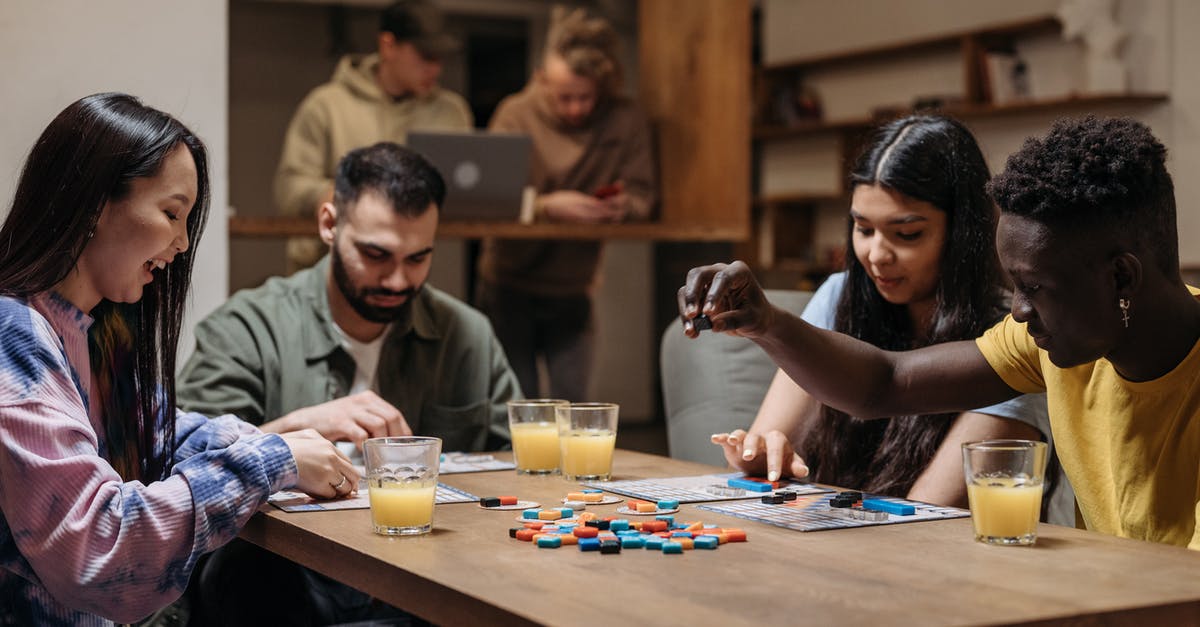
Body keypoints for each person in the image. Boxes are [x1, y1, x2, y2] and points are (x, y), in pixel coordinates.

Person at [680, 116, 1200, 550]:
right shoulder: (1047, 341)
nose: (1017, 312)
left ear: (1121, 277)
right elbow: (886, 383)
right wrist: (765, 321)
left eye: (1035, 287)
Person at [0, 93, 354, 625]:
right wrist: (273, 460)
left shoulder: (97, 330)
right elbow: (99, 550)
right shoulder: (13, 333)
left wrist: (279, 445)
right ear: (95, 202)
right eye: (171, 213)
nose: (183, 242)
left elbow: (160, 437)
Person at [179, 142, 520, 625]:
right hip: (289, 579)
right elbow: (178, 469)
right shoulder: (248, 327)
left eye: (419, 258)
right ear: (328, 224)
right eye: (376, 255)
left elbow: (520, 468)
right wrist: (293, 431)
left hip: (428, 577)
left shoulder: (466, 335)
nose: (398, 280)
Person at [709, 115, 1061, 515]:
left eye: (906, 234)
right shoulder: (839, 294)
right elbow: (767, 446)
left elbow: (928, 513)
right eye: (863, 229)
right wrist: (759, 460)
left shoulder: (1014, 334)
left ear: (963, 231)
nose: (876, 255)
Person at [475, 7, 658, 401]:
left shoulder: (625, 120)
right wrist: (544, 207)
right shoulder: (515, 114)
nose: (576, 108)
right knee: (514, 406)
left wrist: (623, 206)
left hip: (575, 286)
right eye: (564, 97)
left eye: (586, 97)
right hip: (508, 282)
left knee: (574, 408)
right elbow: (487, 199)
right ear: (542, 80)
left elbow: (645, 194)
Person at [275, 0, 473, 272]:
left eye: (440, 57)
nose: (435, 68)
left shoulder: (452, 112)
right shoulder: (326, 105)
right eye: (426, 55)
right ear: (388, 46)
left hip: (407, 274)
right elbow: (289, 188)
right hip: (325, 271)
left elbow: (468, 189)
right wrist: (328, 193)